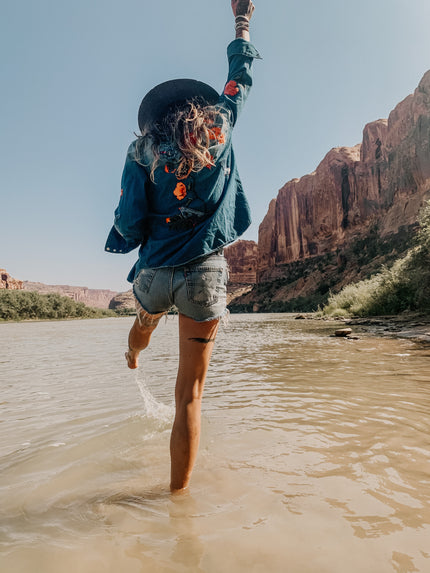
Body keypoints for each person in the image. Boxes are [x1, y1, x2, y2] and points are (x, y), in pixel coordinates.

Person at [105, 0, 260, 493]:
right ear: (199, 106)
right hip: (205, 275)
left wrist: (127, 236)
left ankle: (135, 348)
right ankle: (178, 505)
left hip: (154, 273)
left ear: (156, 118)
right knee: (188, 396)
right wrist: (242, 21)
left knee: (144, 323)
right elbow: (240, 77)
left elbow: (129, 219)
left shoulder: (142, 150)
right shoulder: (221, 128)